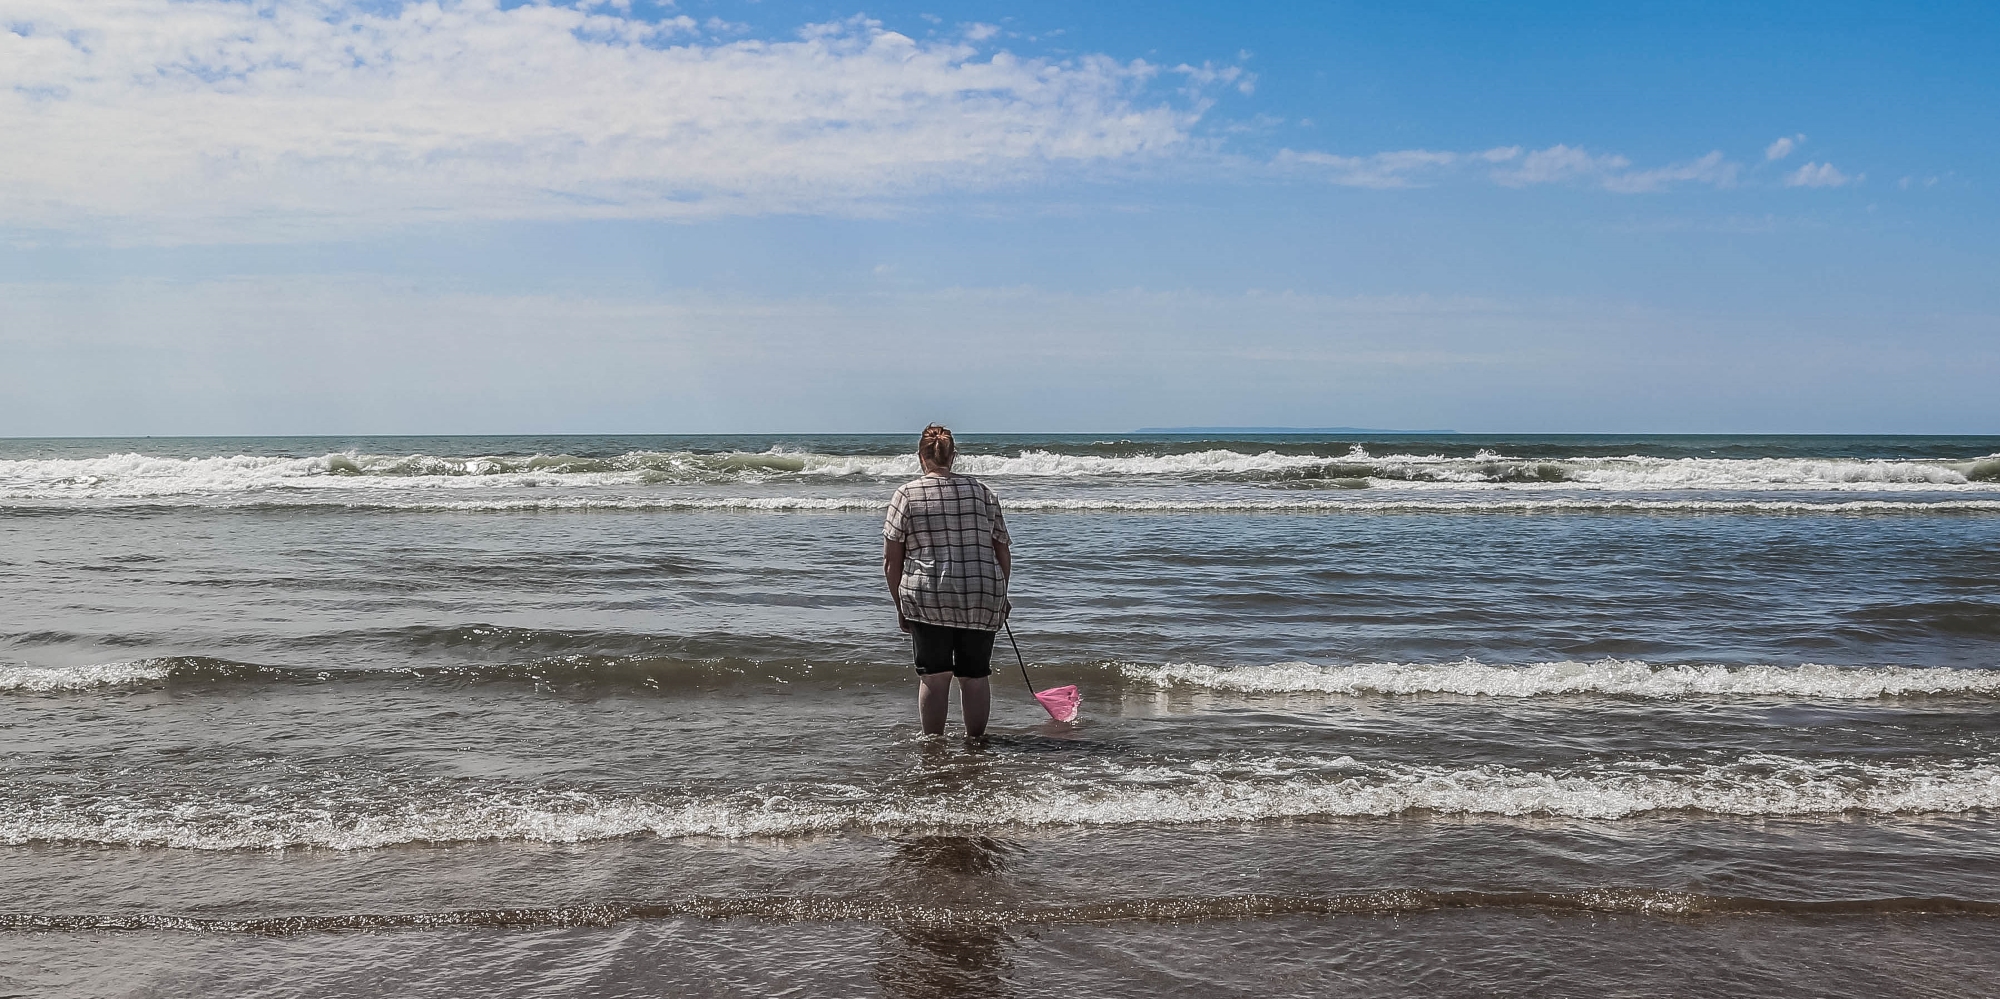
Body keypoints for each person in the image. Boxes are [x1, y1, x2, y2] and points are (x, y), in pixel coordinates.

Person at [882, 424, 1012, 737]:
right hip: (981, 593)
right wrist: (1000, 595)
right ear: (953, 456)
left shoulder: (907, 494)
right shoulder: (982, 492)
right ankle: (976, 745)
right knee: (975, 675)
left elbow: (891, 561)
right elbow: (1003, 551)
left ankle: (933, 747)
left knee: (934, 676)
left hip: (927, 594)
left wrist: (900, 605)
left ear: (920, 457)